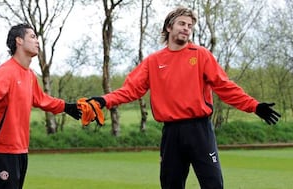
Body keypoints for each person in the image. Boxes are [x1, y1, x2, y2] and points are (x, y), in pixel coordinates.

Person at [88, 6, 281, 189]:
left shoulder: (202, 55)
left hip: (200, 131)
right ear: (169, 27)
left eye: (190, 26)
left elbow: (225, 87)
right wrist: (104, 101)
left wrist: (254, 106)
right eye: (182, 24)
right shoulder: (153, 62)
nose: (186, 29)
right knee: (170, 185)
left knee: (213, 184)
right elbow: (131, 90)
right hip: (171, 134)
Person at [0, 23, 81, 189]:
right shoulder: (7, 71)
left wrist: (66, 107)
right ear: (19, 41)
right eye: (33, 37)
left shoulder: (30, 75)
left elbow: (42, 99)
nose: (37, 41)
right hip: (1, 152)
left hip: (20, 150)